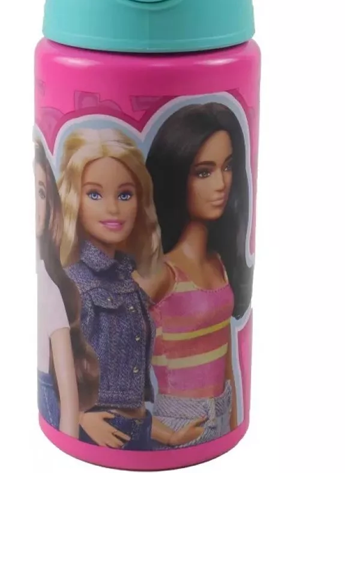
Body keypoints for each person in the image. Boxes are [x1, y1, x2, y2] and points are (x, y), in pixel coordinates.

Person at [57, 127, 205, 449]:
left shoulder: (128, 282)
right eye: (94, 194)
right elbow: (56, 370)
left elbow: (132, 405)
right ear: (73, 200)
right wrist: (80, 417)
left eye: (125, 195)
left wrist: (172, 436)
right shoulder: (74, 283)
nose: (113, 209)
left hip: (137, 433)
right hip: (94, 437)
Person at [141, 103, 253, 445]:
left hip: (223, 414)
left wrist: (234, 421)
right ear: (176, 176)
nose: (221, 184)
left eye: (228, 167)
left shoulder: (220, 263)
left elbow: (226, 362)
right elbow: (109, 357)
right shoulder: (162, 274)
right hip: (178, 423)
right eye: (203, 172)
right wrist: (155, 431)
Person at [34, 138, 99, 438]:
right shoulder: (42, 279)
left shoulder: (50, 290)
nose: (37, 204)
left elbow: (70, 407)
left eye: (42, 192)